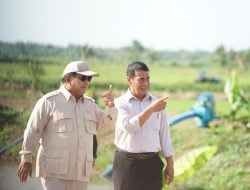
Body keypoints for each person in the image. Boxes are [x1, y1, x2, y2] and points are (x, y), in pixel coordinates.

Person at [17, 60, 117, 190]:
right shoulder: (49, 102)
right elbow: (33, 130)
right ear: (69, 78)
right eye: (83, 78)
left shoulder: (90, 105)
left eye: (89, 78)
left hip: (81, 173)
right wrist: (26, 158)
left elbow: (107, 124)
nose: (87, 82)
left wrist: (110, 107)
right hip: (54, 172)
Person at [113, 61, 174, 190]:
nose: (145, 83)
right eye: (141, 79)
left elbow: (165, 136)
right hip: (127, 165)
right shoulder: (119, 103)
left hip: (152, 164)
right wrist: (151, 109)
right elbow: (128, 126)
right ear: (129, 80)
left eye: (147, 79)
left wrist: (170, 164)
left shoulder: (157, 104)